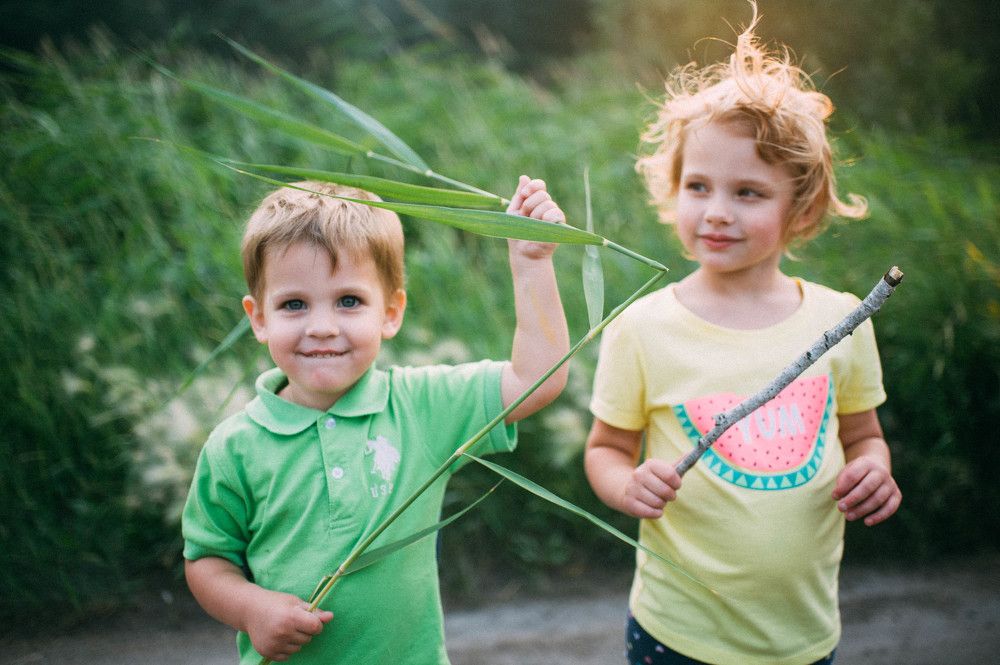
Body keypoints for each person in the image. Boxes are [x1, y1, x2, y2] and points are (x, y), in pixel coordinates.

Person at [584, 7, 902, 665]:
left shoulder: (840, 320)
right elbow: (605, 449)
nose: (717, 211)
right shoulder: (642, 329)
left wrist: (875, 468)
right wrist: (625, 485)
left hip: (803, 636)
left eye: (749, 192)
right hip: (676, 632)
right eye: (698, 186)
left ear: (803, 207)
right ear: (673, 191)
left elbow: (863, 435)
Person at [182, 176, 569, 664]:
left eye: (349, 301)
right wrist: (252, 609)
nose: (322, 327)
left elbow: (539, 377)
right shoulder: (234, 446)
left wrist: (532, 264)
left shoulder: (422, 407)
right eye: (294, 304)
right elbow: (207, 561)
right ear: (259, 318)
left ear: (391, 311)